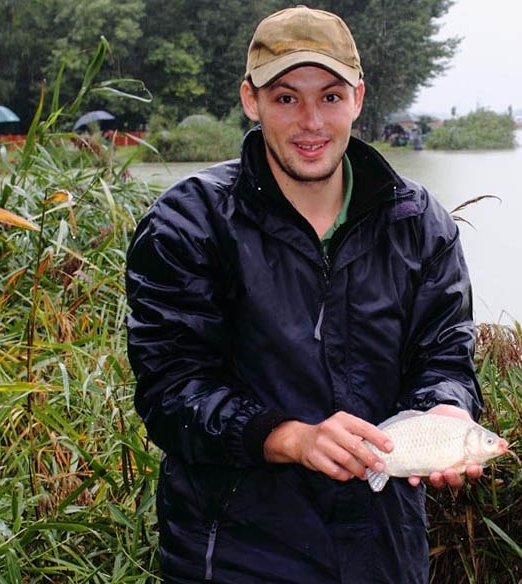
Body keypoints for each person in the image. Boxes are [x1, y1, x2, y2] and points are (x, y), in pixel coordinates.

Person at [125, 6, 482, 583]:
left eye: (331, 97)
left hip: (384, 551)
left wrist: (445, 410)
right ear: (251, 100)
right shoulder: (189, 222)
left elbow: (446, 356)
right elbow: (170, 392)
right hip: (235, 552)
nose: (311, 122)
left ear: (359, 99)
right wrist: (291, 438)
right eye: (287, 98)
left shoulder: (420, 222)